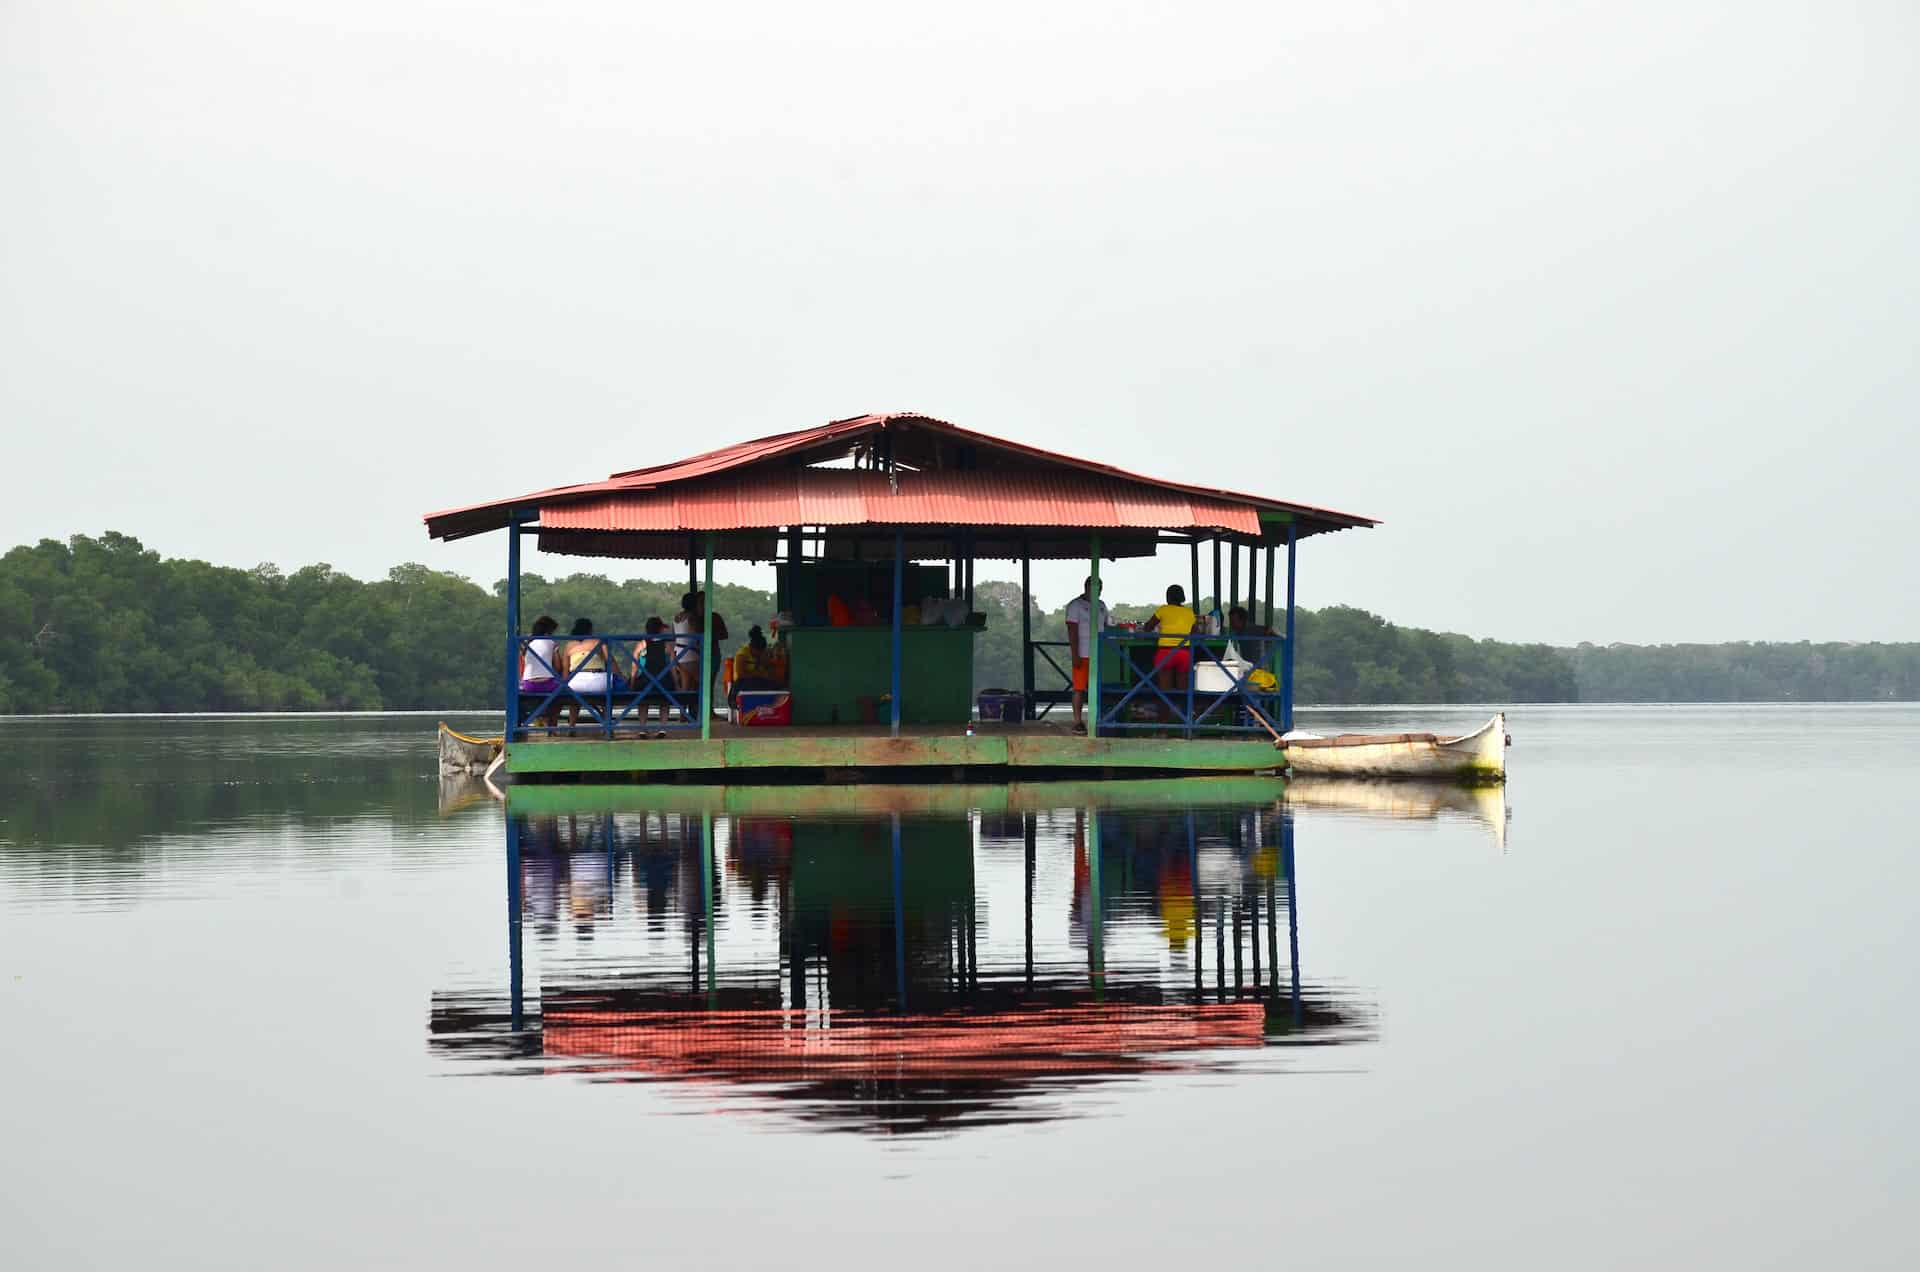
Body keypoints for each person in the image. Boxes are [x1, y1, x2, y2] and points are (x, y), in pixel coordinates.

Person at [1062, 576, 1109, 729]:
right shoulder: (1075, 606)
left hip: (1099, 653)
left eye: (1101, 589)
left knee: (1097, 689)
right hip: (1082, 653)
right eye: (1096, 588)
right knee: (1079, 688)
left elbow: (1106, 627)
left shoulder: (1102, 606)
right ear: (1086, 587)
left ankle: (1096, 720)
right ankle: (1077, 721)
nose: (1099, 592)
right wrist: (1075, 654)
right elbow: (1072, 631)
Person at [1143, 584, 1198, 700]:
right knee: (1183, 693)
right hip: (1184, 653)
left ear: (1168, 597)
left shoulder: (1163, 609)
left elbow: (1147, 627)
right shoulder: (1189, 612)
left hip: (1165, 653)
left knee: (1164, 693)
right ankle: (1184, 716)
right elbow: (1195, 633)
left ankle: (1164, 717)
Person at [672, 590, 730, 696]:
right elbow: (698, 633)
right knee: (703, 686)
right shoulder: (692, 618)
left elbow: (675, 636)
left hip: (682, 654)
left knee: (691, 687)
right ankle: (701, 710)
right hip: (692, 655)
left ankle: (688, 711)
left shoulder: (678, 617)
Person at [562, 617, 613, 728]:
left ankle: (571, 725)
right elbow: (611, 662)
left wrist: (564, 686)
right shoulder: (598, 641)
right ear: (590, 630)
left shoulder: (569, 646)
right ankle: (607, 726)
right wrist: (622, 677)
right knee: (606, 698)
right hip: (598, 683)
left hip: (576, 684)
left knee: (574, 700)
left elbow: (565, 670)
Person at [518, 615, 562, 728]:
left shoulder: (526, 642)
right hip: (548, 685)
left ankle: (538, 718)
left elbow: (525, 661)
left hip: (528, 685)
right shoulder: (551, 642)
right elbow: (558, 667)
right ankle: (552, 726)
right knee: (561, 692)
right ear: (548, 631)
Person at [729, 626, 782, 709]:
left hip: (759, 681)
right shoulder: (742, 655)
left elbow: (769, 668)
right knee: (741, 685)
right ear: (752, 648)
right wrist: (759, 674)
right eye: (758, 652)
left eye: (762, 652)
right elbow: (740, 674)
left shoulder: (762, 654)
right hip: (742, 682)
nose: (759, 654)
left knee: (777, 686)